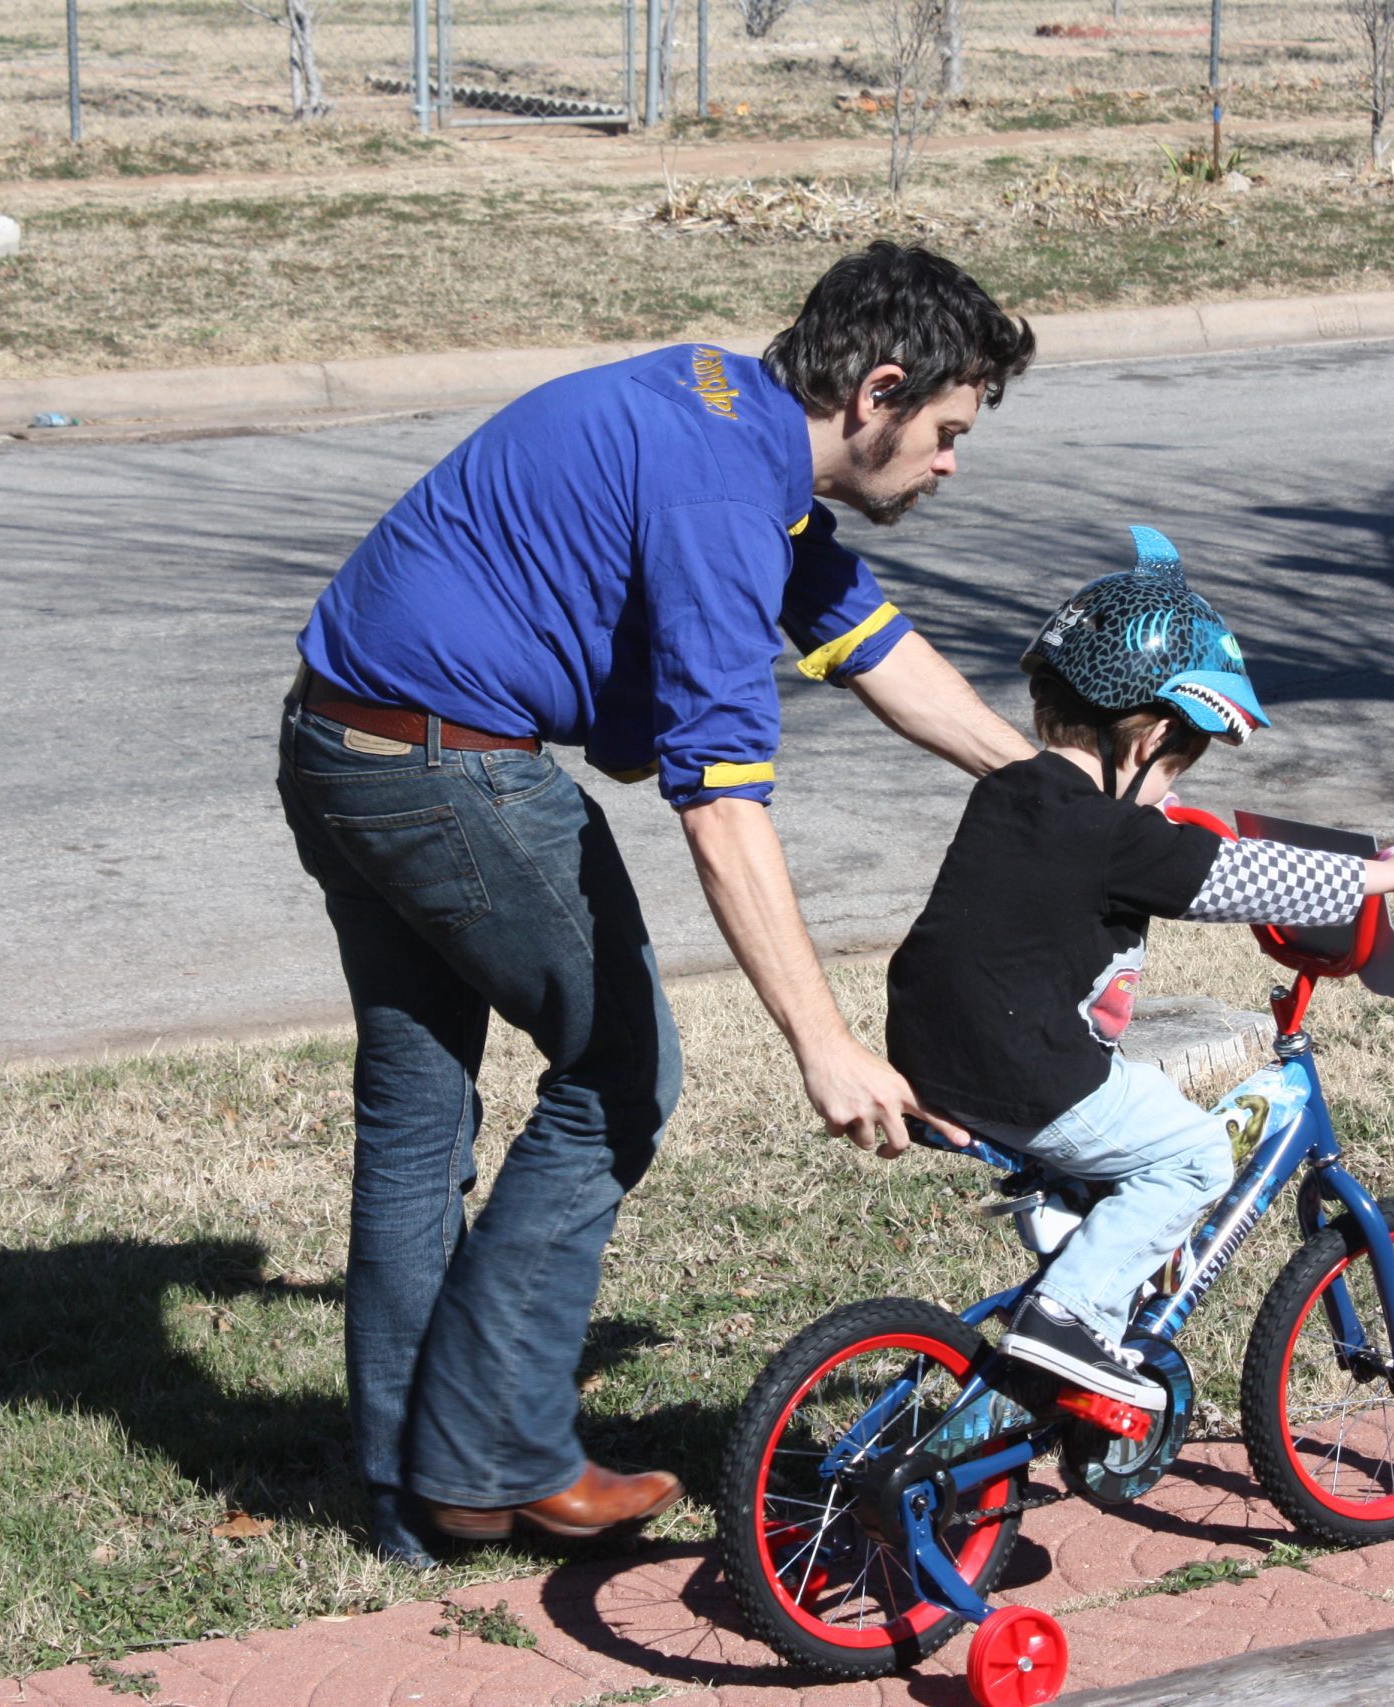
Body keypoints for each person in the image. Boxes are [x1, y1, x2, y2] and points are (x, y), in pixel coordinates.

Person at [277, 244, 1037, 1560]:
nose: (951, 462)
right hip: (445, 769)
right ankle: (492, 1453)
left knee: (418, 1106)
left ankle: (409, 1490)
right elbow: (724, 809)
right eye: (949, 432)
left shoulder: (730, 421)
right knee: (620, 1069)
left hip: (336, 736)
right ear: (881, 388)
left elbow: (876, 647)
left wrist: (1045, 790)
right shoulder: (723, 495)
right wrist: (825, 1040)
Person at [883, 525, 1394, 1409]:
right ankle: (1066, 1318)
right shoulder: (1114, 832)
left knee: (1122, 1120)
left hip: (930, 1041)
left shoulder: (1013, 788)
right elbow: (1242, 877)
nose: (1172, 796)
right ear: (1142, 740)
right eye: (1174, 768)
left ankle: (1079, 1279)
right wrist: (1387, 870)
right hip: (1019, 1064)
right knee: (1189, 1155)